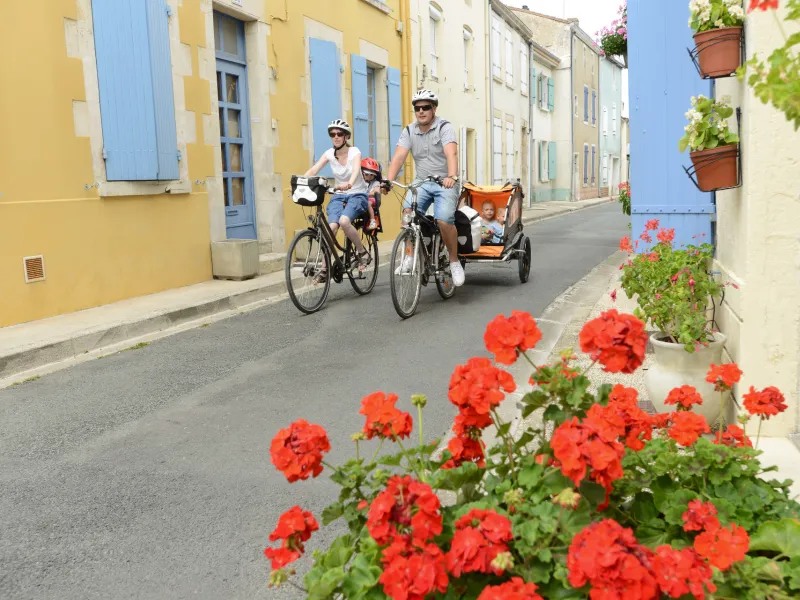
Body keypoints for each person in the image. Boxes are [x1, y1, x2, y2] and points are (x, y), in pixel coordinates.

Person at [384, 90, 465, 286]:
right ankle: (410, 256)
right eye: (417, 108)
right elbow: (399, 157)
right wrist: (387, 180)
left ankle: (454, 261)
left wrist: (452, 176)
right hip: (421, 181)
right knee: (407, 213)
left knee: (444, 220)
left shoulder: (444, 127)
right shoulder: (410, 131)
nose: (421, 111)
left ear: (434, 109)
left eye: (425, 107)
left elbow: (451, 154)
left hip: (445, 181)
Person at [305, 119, 371, 279]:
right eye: (332, 134)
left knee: (344, 221)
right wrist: (300, 180)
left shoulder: (354, 152)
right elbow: (314, 169)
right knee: (331, 228)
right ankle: (324, 269)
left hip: (357, 193)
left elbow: (356, 169)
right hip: (339, 195)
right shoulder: (329, 154)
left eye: (339, 134)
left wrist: (349, 183)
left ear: (346, 136)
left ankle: (362, 252)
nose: (335, 137)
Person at [361, 157, 382, 231]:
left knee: (368, 203)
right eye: (366, 174)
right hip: (362, 199)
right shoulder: (361, 182)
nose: (369, 176)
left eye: (371, 175)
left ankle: (372, 221)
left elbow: (376, 192)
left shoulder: (376, 182)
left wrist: (366, 194)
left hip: (372, 200)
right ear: (362, 174)